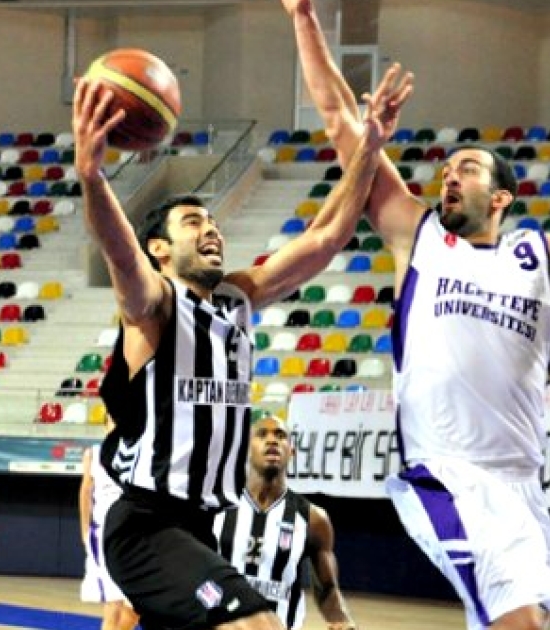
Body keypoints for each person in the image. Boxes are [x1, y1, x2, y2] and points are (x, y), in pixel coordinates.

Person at [283, 1, 550, 627]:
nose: (450, 177)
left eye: (468, 169)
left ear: (502, 196)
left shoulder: (541, 253)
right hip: (445, 474)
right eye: (446, 170)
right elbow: (341, 121)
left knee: (520, 620)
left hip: (521, 486)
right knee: (519, 623)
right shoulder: (419, 235)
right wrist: (304, 17)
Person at [71, 59, 411, 630]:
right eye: (192, 223)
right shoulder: (153, 305)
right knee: (258, 626)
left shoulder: (237, 298)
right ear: (159, 250)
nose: (211, 229)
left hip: (202, 523)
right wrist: (93, 177)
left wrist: (370, 148)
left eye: (212, 222)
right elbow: (121, 254)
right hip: (148, 525)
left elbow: (328, 236)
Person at [213, 415, 356, 630]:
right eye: (262, 435)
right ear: (245, 449)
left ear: (292, 451)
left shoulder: (313, 519)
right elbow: (191, 578)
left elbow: (327, 590)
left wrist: (342, 621)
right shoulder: (216, 506)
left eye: (280, 436)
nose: (272, 440)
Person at [79, 419, 139, 630]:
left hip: (135, 534)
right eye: (112, 419)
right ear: (105, 425)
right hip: (105, 534)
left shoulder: (141, 451)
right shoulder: (94, 454)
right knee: (113, 606)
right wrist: (85, 529)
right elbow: (85, 493)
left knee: (135, 610)